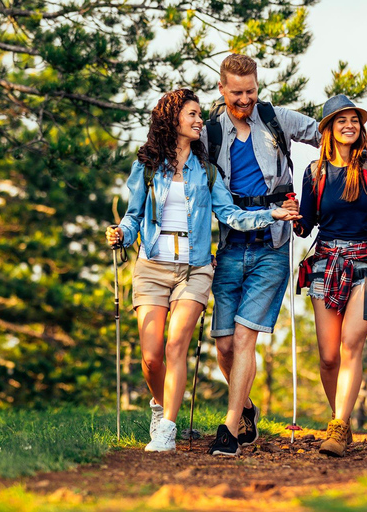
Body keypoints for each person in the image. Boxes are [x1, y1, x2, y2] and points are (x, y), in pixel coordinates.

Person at [202, 54, 367, 456]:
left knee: (246, 336)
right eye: (237, 93)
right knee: (225, 347)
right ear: (222, 89)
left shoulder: (275, 118)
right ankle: (248, 413)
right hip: (232, 239)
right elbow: (190, 174)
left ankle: (231, 429)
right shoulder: (210, 133)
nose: (245, 99)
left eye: (251, 91)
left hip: (274, 240)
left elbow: (330, 131)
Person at [106, 89, 300, 453]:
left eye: (199, 115)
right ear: (172, 118)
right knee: (151, 357)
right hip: (151, 266)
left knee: (176, 344)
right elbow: (133, 217)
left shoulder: (207, 172)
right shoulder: (146, 166)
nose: (200, 121)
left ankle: (167, 430)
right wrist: (121, 234)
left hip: (194, 269)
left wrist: (269, 215)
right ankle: (160, 405)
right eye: (193, 115)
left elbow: (229, 214)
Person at [294, 95, 367, 457]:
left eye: (354, 120)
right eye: (341, 121)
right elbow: (306, 226)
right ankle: (341, 417)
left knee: (352, 342)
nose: (349, 125)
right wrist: (295, 217)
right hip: (326, 260)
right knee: (328, 355)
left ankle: (338, 428)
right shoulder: (314, 173)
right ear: (327, 129)